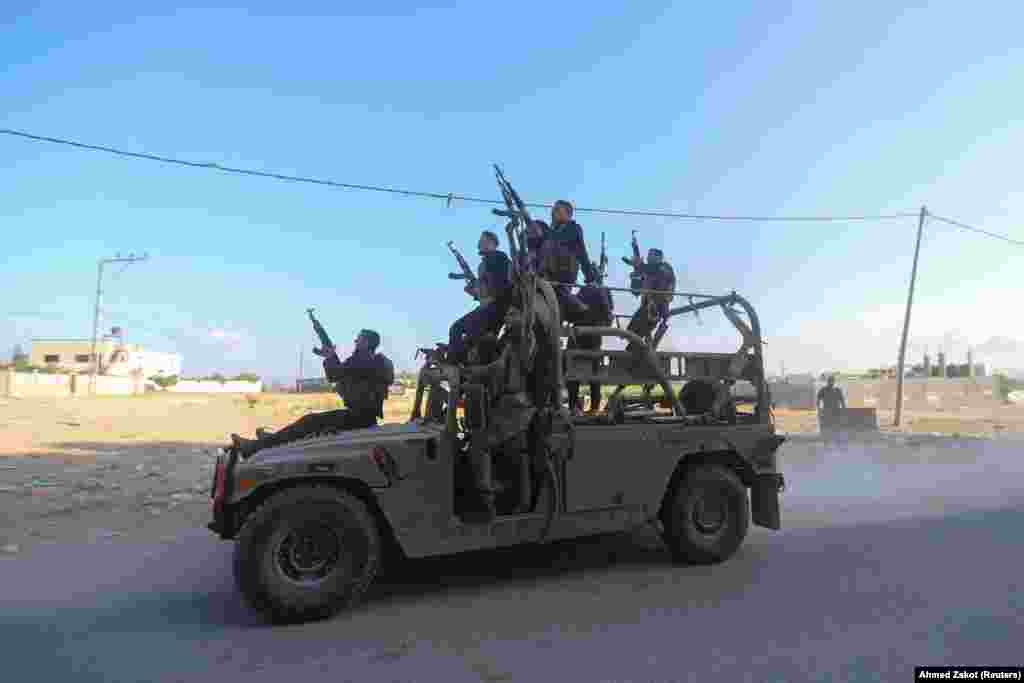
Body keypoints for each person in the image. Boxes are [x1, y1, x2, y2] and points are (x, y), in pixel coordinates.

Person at [231, 329, 394, 458]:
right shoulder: (372, 360)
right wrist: (330, 356)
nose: (355, 341)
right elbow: (343, 373)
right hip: (365, 417)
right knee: (310, 423)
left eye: (359, 339)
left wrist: (329, 356)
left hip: (358, 418)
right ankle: (270, 440)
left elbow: (335, 375)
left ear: (366, 342)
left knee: (308, 422)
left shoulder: (362, 358)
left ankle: (254, 448)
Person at [446, 230, 515, 364]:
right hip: (491, 307)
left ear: (492, 243)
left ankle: (454, 364)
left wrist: (485, 295)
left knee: (457, 329)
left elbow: (502, 287)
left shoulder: (498, 258)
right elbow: (486, 290)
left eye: (482, 241)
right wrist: (476, 292)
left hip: (495, 308)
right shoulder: (486, 263)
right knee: (469, 337)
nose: (479, 245)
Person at [538, 200, 597, 323]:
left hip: (563, 277)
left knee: (557, 305)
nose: (553, 213)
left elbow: (582, 252)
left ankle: (580, 308)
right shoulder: (550, 232)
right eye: (553, 210)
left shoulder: (573, 228)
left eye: (557, 210)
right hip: (546, 276)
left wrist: (590, 278)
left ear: (568, 214)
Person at [566, 275, 614, 415]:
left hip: (580, 334)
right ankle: (593, 407)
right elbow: (608, 314)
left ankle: (575, 406)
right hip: (593, 334)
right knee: (593, 374)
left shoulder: (583, 291)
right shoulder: (602, 291)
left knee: (575, 372)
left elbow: (571, 312)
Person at [626, 247, 676, 350]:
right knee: (630, 332)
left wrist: (640, 266)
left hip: (657, 308)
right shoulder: (647, 270)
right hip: (646, 307)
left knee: (637, 338)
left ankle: (638, 355)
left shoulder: (665, 268)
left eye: (650, 255)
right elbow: (635, 292)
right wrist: (635, 276)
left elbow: (657, 272)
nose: (648, 258)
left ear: (659, 257)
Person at [817, 375, 846, 446]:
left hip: (836, 412)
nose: (831, 382)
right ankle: (826, 443)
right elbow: (818, 400)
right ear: (827, 382)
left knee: (836, 428)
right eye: (830, 381)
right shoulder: (823, 390)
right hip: (827, 412)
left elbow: (842, 401)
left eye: (832, 381)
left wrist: (844, 410)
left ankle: (837, 442)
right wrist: (819, 410)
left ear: (834, 382)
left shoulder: (838, 390)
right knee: (827, 428)